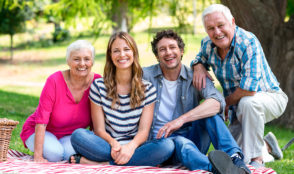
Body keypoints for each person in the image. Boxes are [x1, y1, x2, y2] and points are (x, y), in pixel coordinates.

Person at [191, 4, 288, 168]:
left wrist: (225, 103)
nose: (217, 32)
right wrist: (198, 66)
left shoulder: (248, 42)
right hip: (238, 106)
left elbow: (249, 90)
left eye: (221, 25)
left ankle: (258, 159)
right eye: (211, 28)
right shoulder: (207, 44)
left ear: (232, 22)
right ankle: (268, 145)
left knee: (248, 103)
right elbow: (198, 58)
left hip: (270, 98)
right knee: (234, 154)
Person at [143, 29, 251, 174]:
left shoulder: (195, 76)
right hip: (159, 146)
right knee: (179, 142)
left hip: (192, 141)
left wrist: (181, 120)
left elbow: (217, 102)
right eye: (162, 50)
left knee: (210, 114)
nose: (168, 52)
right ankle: (218, 169)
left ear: (181, 51)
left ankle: (235, 159)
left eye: (172, 47)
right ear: (157, 56)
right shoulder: (145, 75)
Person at [69, 32, 174, 166]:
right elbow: (99, 129)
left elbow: (143, 132)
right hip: (107, 146)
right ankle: (130, 161)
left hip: (135, 147)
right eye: (116, 51)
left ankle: (103, 164)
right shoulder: (99, 86)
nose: (122, 55)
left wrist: (130, 148)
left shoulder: (148, 89)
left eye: (126, 49)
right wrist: (114, 144)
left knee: (167, 146)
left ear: (134, 53)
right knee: (78, 135)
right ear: (110, 56)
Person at [20, 40, 102, 162]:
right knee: (56, 154)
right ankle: (50, 151)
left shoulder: (97, 82)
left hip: (71, 136)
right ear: (68, 61)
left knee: (71, 154)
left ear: (92, 61)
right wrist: (38, 156)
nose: (82, 63)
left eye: (87, 59)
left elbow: (97, 121)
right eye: (76, 59)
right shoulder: (54, 81)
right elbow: (41, 121)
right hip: (41, 131)